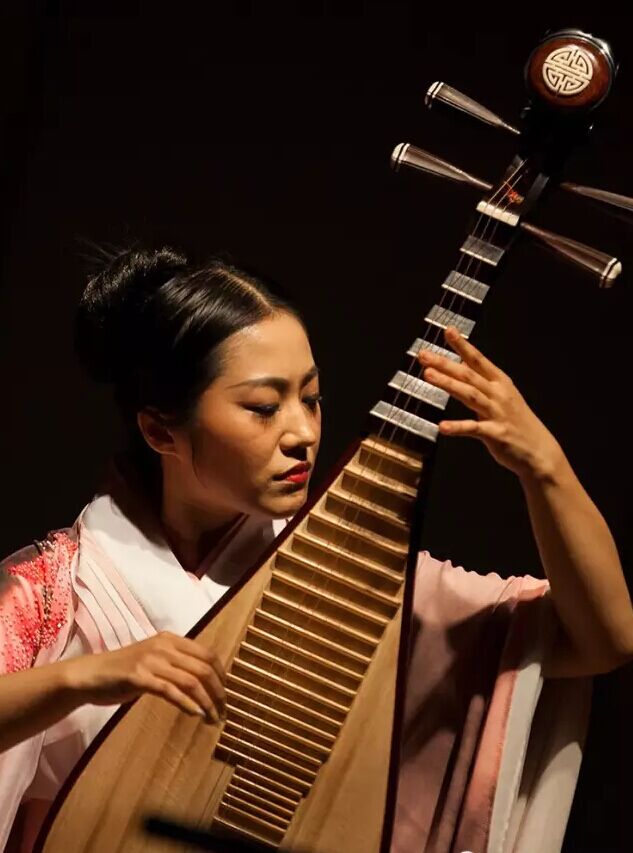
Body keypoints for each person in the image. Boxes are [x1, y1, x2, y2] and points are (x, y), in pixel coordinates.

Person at [0, 247, 631, 853]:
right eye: (263, 407)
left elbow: (600, 639)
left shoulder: (348, 583)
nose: (302, 432)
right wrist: (82, 677)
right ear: (160, 431)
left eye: (311, 398)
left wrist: (545, 469)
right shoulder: (57, 592)